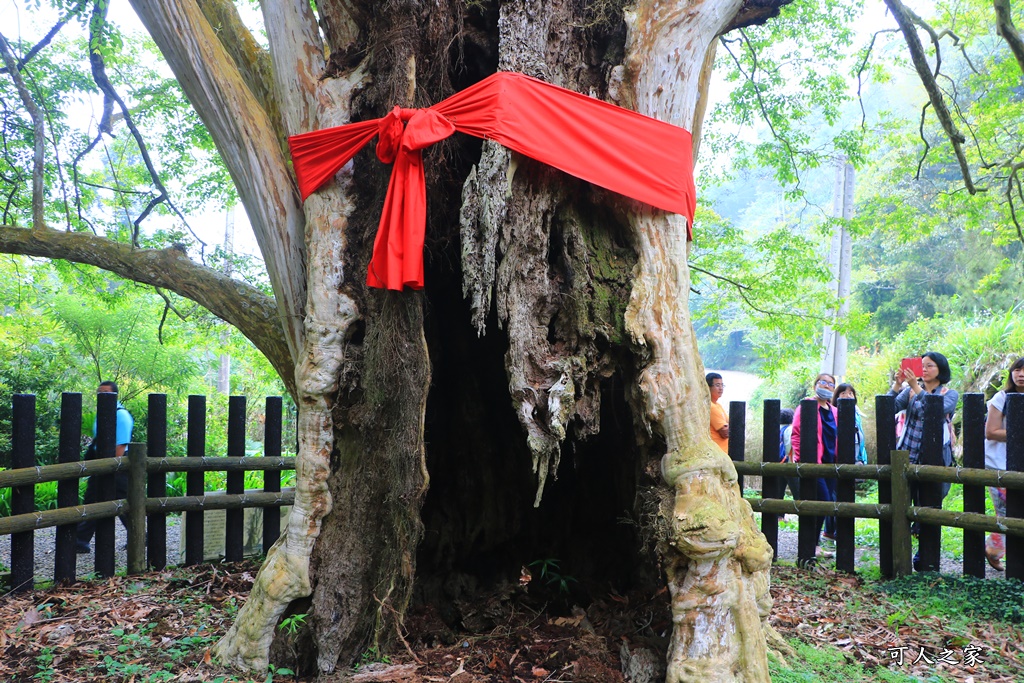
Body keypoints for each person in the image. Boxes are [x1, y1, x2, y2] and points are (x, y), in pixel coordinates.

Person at [889, 352, 958, 570]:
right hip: (907, 454)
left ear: (941, 370)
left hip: (935, 457)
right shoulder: (909, 391)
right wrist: (896, 385)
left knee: (928, 504)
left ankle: (926, 558)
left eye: (930, 366)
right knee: (902, 503)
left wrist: (916, 388)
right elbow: (888, 408)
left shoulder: (949, 393)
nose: (925, 369)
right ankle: (900, 555)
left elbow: (937, 410)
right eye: (922, 366)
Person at [76, 381, 135, 554]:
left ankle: (139, 535)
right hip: (102, 462)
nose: (102, 395)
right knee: (94, 499)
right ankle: (80, 539)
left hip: (115, 464)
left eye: (106, 392)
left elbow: (121, 445)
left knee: (123, 503)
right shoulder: (102, 413)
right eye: (99, 392)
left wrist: (111, 466)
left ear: (115, 395)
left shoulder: (121, 415)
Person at [791, 373, 839, 558]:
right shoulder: (806, 406)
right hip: (813, 463)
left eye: (830, 384)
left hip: (830, 465)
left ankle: (813, 544)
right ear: (815, 385)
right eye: (822, 382)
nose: (826, 386)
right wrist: (801, 457)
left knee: (823, 504)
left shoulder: (834, 411)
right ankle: (810, 545)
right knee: (823, 502)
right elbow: (795, 434)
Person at [983, 356, 1024, 571]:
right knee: (1006, 511)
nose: (1021, 374)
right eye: (1017, 370)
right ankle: (993, 550)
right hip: (999, 464)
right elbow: (991, 432)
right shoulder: (1002, 397)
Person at [832, 383, 869, 465]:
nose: (848, 396)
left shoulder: (857, 415)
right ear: (837, 397)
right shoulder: (833, 414)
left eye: (850, 393)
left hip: (858, 459)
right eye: (843, 393)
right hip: (839, 461)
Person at [778, 408, 800, 501]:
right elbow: (790, 446)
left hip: (777, 465)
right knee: (797, 493)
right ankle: (802, 514)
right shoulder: (790, 429)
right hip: (790, 464)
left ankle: (779, 515)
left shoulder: (776, 429)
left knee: (778, 493)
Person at [707, 373, 729, 454]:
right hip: (718, 453)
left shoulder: (718, 405)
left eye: (722, 385)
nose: (721, 388)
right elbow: (725, 432)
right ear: (708, 387)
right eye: (717, 385)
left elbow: (731, 423)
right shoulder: (710, 406)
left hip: (724, 452)